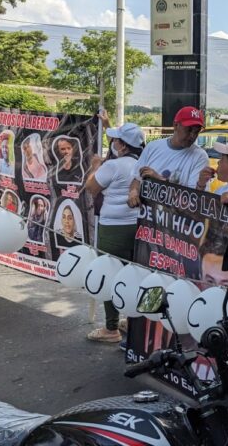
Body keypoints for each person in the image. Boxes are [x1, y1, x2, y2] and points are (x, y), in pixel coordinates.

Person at [84, 123, 145, 343]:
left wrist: (95, 166)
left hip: (113, 227)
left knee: (109, 275)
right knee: (132, 275)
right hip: (138, 226)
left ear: (123, 145)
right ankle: (131, 321)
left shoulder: (113, 165)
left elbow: (91, 188)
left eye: (116, 140)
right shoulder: (143, 165)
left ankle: (111, 328)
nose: (113, 143)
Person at [127, 106, 208, 207]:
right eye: (189, 129)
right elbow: (137, 179)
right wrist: (133, 192)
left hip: (175, 216)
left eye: (196, 131)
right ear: (175, 125)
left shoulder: (199, 156)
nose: (192, 135)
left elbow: (192, 200)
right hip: (149, 215)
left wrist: (159, 180)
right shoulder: (152, 147)